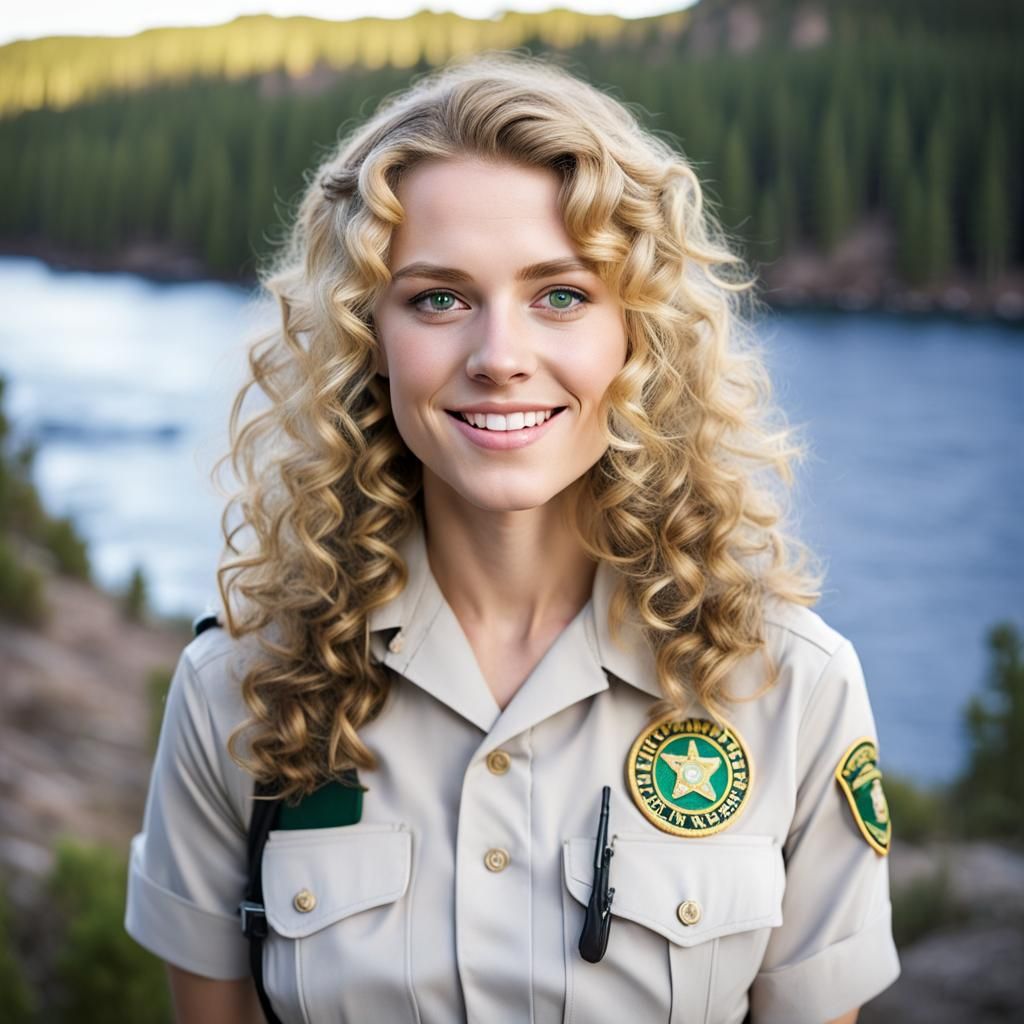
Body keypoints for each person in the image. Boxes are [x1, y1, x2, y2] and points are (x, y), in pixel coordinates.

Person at [125, 53, 900, 1024]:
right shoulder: (238, 690)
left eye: (561, 294)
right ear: (367, 335)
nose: (499, 358)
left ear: (638, 335)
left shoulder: (793, 686)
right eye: (437, 298)